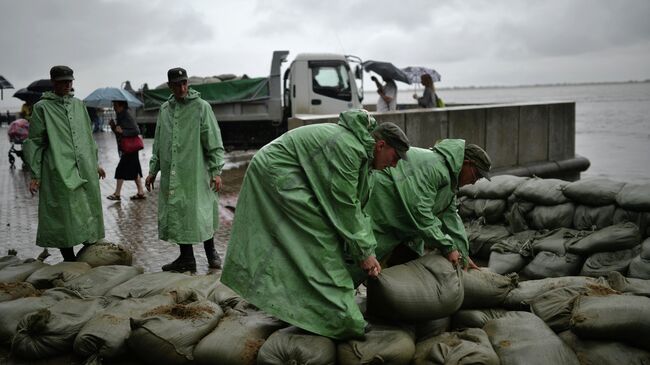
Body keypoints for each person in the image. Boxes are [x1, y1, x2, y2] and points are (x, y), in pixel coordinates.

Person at [221, 110, 410, 340]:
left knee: (316, 240)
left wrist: (364, 248)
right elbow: (344, 207)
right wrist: (364, 253)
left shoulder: (363, 159)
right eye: (395, 157)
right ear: (381, 145)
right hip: (277, 173)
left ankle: (301, 305)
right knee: (320, 242)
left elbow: (357, 208)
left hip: (290, 173)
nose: (395, 164)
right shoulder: (350, 150)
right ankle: (343, 318)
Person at [350, 140, 490, 284]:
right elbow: (419, 211)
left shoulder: (449, 181)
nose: (474, 182)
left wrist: (462, 253)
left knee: (400, 271)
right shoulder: (435, 167)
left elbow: (450, 216)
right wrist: (448, 247)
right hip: (379, 212)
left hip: (399, 225)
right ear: (467, 163)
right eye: (476, 175)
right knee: (357, 262)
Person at [145, 67, 225, 272]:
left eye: (184, 83)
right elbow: (158, 141)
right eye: (177, 84)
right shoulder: (165, 109)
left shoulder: (201, 107)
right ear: (170, 86)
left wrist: (216, 171)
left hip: (196, 172)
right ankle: (187, 257)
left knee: (202, 211)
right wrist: (153, 170)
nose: (182, 87)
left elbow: (213, 141)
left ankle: (211, 253)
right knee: (178, 211)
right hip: (173, 173)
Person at [23, 65, 106, 262]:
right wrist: (35, 174)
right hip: (58, 168)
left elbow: (88, 135)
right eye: (63, 82)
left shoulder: (79, 105)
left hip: (84, 166)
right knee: (63, 211)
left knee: (88, 207)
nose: (68, 85)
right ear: (54, 83)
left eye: (70, 81)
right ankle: (69, 258)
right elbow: (34, 142)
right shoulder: (42, 108)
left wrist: (95, 163)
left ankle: (87, 254)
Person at [106, 100, 145, 201]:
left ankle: (117, 194)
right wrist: (113, 126)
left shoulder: (126, 115)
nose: (114, 107)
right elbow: (119, 134)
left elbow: (136, 130)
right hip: (128, 148)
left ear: (121, 106)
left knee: (120, 169)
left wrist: (122, 131)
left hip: (130, 149)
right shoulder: (120, 115)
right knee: (135, 169)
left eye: (115, 105)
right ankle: (140, 192)